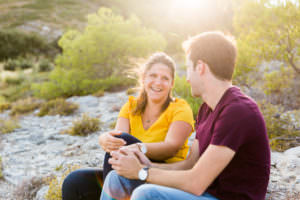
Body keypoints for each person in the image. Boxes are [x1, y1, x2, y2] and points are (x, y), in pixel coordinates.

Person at [101, 31, 271, 200]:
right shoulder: (207, 110)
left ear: (200, 67)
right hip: (205, 193)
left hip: (224, 197)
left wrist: (141, 172)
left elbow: (195, 183)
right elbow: (189, 165)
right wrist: (146, 165)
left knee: (146, 194)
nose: (188, 78)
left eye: (188, 68)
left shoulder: (238, 111)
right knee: (117, 179)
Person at [62, 52, 194, 200]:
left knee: (122, 142)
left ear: (172, 83)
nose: (158, 82)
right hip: (129, 172)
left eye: (165, 78)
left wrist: (139, 148)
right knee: (75, 182)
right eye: (153, 76)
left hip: (161, 176)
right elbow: (116, 142)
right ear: (143, 78)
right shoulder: (131, 106)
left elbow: (171, 148)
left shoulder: (181, 109)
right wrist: (104, 139)